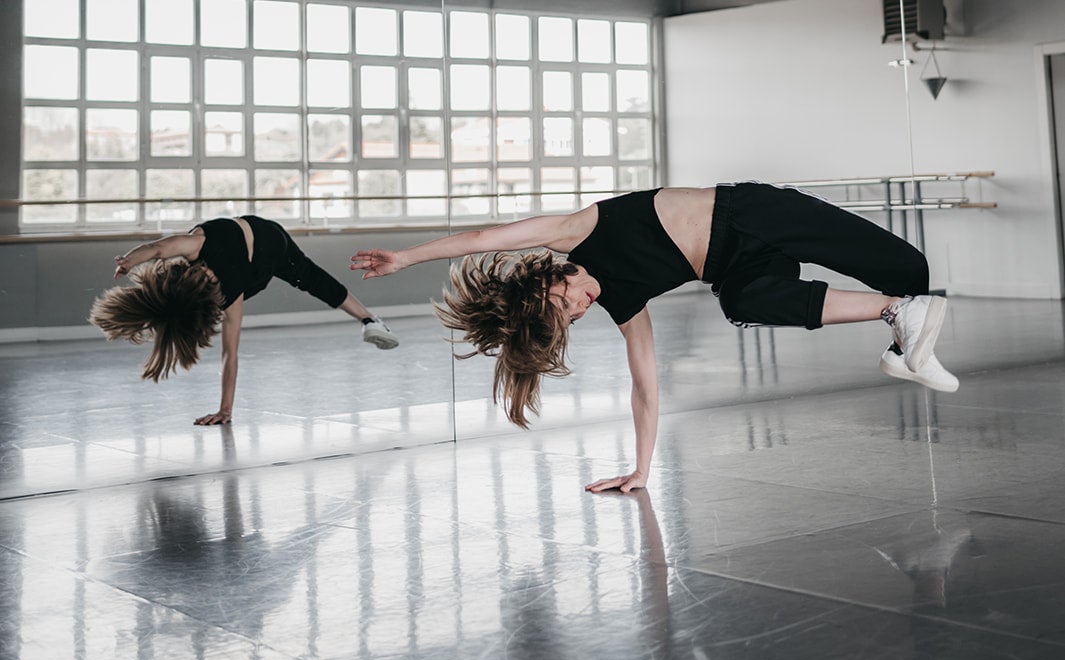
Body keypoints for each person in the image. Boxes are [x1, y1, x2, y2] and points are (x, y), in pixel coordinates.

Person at [351, 182, 957, 494]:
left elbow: (486, 238)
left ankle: (908, 328)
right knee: (742, 303)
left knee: (911, 269)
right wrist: (641, 469)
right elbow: (645, 385)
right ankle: (901, 322)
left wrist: (404, 259)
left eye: (566, 298)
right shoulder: (620, 299)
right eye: (571, 318)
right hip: (741, 268)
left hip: (755, 215)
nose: (581, 305)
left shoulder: (575, 231)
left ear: (552, 270)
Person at [90, 213, 398, 424]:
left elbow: (230, 355)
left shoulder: (227, 296)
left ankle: (370, 321)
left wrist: (226, 409)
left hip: (258, 269)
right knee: (315, 281)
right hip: (269, 240)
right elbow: (157, 249)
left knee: (313, 281)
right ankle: (370, 320)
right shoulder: (196, 247)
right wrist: (129, 261)